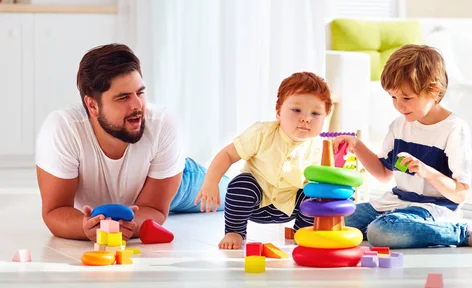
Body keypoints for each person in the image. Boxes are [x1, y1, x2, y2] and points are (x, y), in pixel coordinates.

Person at [35, 43, 230, 242]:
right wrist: (86, 228)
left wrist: (127, 225)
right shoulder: (63, 129)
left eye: (140, 92)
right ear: (92, 105)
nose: (137, 105)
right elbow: (55, 210)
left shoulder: (163, 125)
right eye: (123, 97)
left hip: (169, 183)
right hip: (122, 200)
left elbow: (155, 209)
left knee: (244, 196)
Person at [333, 44, 472, 250]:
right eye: (393, 97)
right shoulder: (399, 125)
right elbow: (384, 173)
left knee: (381, 232)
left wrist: (426, 172)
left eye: (407, 98)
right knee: (338, 219)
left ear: (434, 91)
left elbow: (460, 193)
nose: (399, 106)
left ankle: (461, 234)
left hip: (433, 209)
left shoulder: (454, 129)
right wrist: (356, 145)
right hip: (395, 204)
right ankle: (393, 228)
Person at [194, 72, 332, 250]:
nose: (306, 118)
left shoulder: (320, 148)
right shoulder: (262, 133)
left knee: (316, 194)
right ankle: (235, 231)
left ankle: (303, 232)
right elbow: (228, 154)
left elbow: (327, 184)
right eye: (296, 110)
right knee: (240, 184)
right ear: (278, 111)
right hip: (255, 201)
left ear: (325, 117)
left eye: (315, 113)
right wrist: (211, 182)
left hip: (290, 205)